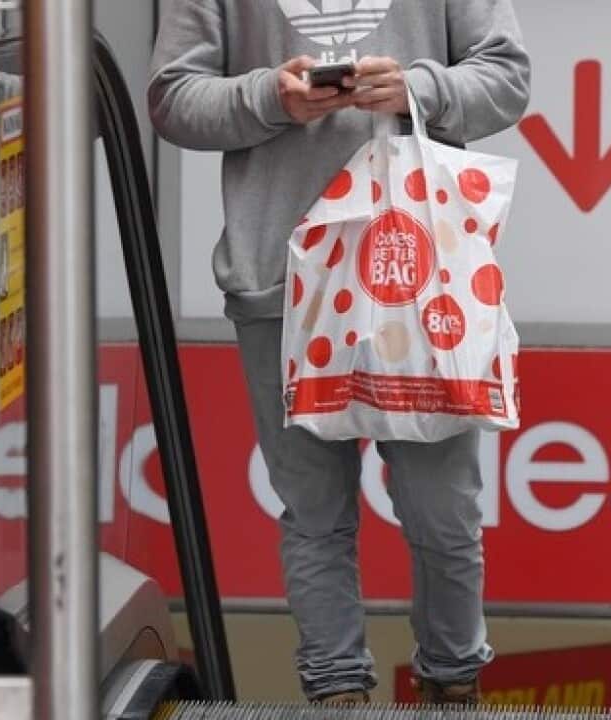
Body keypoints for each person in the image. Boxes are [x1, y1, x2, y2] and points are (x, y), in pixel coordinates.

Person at [148, 0, 531, 707]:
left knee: (442, 511)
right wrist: (269, 96)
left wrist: (421, 88)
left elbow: (506, 76)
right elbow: (172, 98)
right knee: (314, 515)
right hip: (280, 279)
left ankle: (454, 686)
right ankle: (336, 695)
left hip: (420, 279)